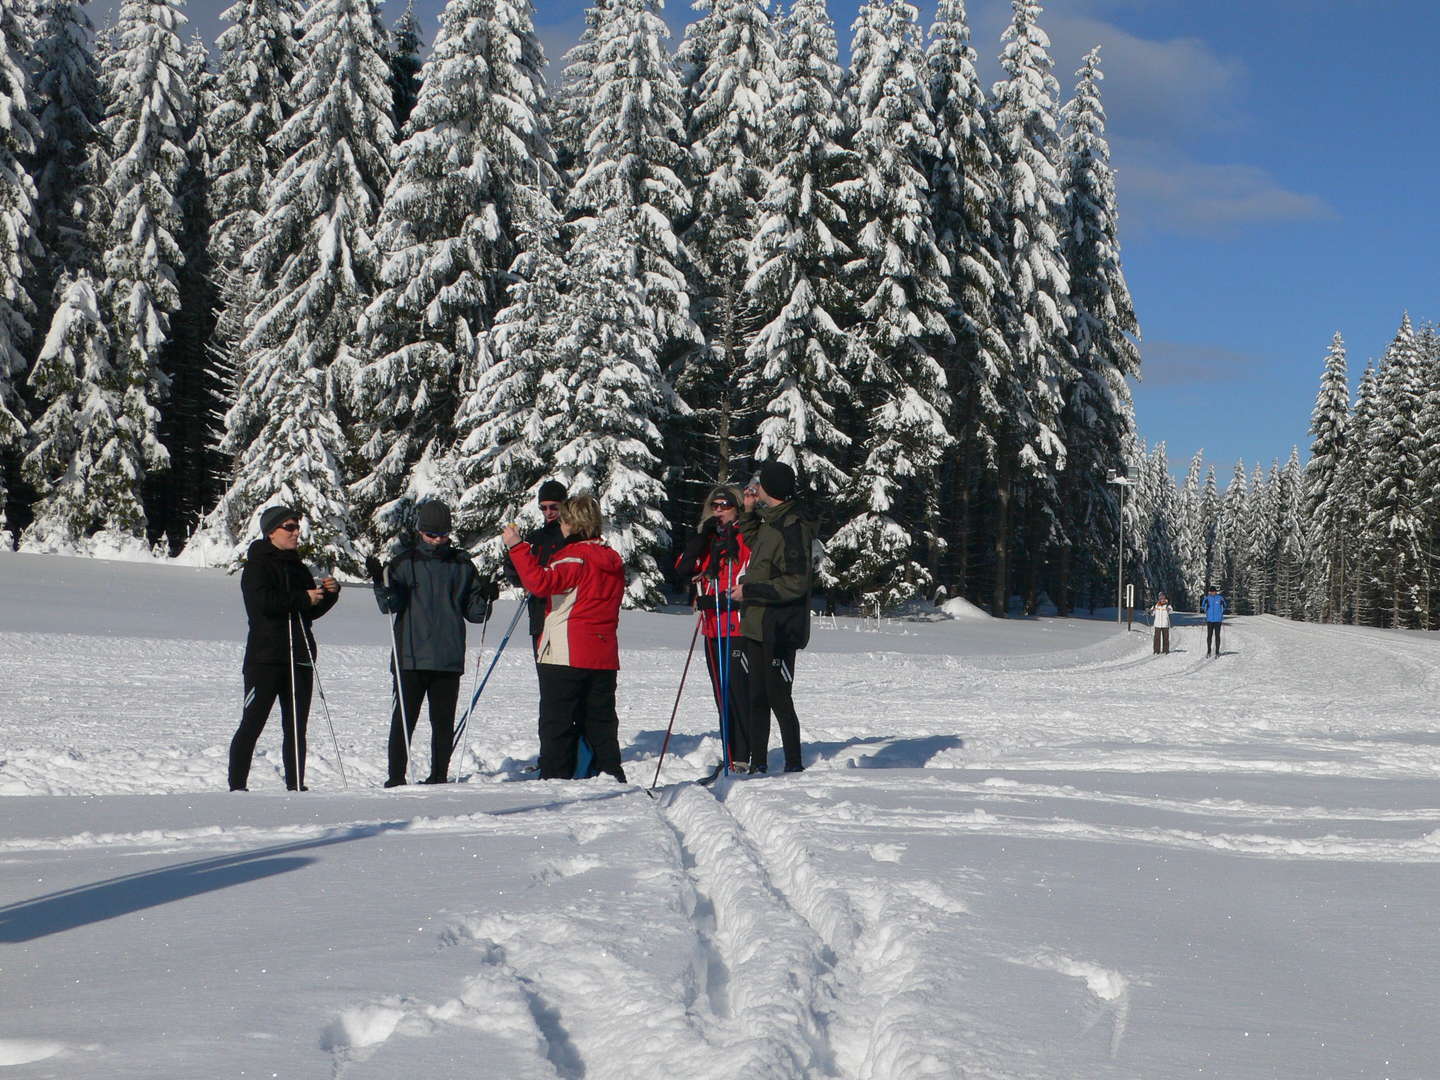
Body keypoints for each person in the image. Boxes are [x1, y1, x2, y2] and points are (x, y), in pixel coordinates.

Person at [366, 501, 493, 787]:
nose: (437, 540)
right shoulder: (404, 562)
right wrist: (381, 582)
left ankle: (439, 776)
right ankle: (396, 778)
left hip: (447, 657)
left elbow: (475, 614)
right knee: (403, 721)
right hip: (410, 657)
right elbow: (389, 606)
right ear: (420, 531)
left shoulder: (461, 565)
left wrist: (485, 595)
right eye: (431, 534)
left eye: (443, 535)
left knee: (442, 722)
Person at [502, 495, 627, 782]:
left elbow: (540, 583)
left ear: (570, 522)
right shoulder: (612, 558)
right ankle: (609, 776)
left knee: (556, 722)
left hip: (567, 651)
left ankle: (555, 781)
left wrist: (517, 547)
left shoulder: (575, 556)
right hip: (603, 651)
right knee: (601, 722)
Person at [229, 506, 341, 792]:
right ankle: (237, 788)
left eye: (296, 527)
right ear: (271, 532)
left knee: (295, 729)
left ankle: (296, 787)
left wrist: (327, 596)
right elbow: (262, 605)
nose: (295, 532)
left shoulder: (298, 566)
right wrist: (302, 597)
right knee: (252, 723)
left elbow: (308, 613)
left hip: (300, 657)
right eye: (289, 527)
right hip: (265, 659)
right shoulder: (256, 566)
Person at [732, 461, 817, 775]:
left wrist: (750, 590)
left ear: (770, 487)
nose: (757, 487)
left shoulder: (792, 525)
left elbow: (796, 581)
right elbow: (759, 546)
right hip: (757, 622)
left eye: (761, 484)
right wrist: (749, 511)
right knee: (756, 695)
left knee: (778, 697)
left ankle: (793, 764)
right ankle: (759, 762)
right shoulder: (772, 521)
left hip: (779, 626)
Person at [675, 485, 752, 769]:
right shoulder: (708, 538)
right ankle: (732, 754)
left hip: (737, 626)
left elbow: (748, 571)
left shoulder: (745, 535)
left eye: (725, 505)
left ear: (737, 508)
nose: (719, 510)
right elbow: (684, 567)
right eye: (715, 505)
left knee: (738, 693)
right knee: (721, 693)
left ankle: (743, 755)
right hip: (711, 626)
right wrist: (699, 539)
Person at [1202, 585, 1227, 657]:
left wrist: (1223, 605)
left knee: (1217, 636)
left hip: (1218, 620)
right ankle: (1209, 651)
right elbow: (1203, 606)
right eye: (1211, 591)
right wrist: (1205, 604)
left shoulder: (1220, 598)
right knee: (1209, 636)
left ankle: (1217, 651)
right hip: (1209, 619)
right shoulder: (1207, 598)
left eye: (1213, 591)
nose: (1212, 593)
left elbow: (1225, 606)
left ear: (1215, 591)